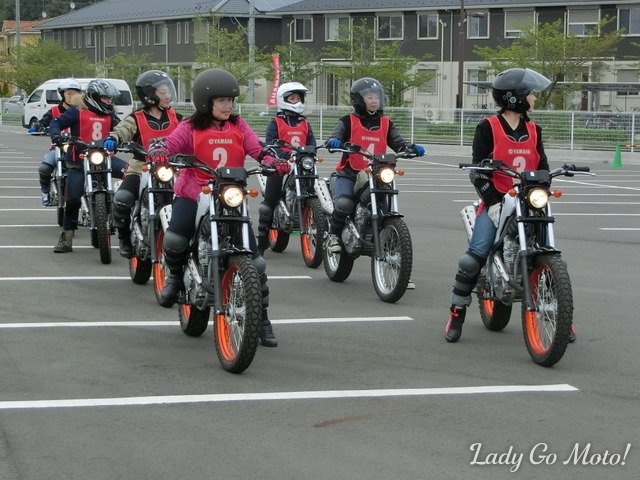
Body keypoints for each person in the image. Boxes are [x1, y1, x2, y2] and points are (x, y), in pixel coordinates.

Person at [148, 68, 289, 348]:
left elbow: (257, 149)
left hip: (230, 196)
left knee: (256, 261)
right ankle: (175, 279)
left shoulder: (239, 126)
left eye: (230, 101)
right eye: (222, 101)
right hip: (195, 191)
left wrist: (273, 159)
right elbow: (170, 143)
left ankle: (262, 320)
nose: (228, 106)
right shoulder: (189, 127)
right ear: (205, 102)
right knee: (177, 237)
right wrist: (160, 149)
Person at [444, 67, 575, 343]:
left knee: (548, 252)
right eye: (530, 94)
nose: (534, 98)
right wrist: (491, 201)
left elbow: (542, 166)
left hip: (529, 201)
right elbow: (477, 170)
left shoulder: (533, 129)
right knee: (475, 255)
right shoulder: (487, 127)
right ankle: (457, 313)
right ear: (515, 97)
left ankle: (560, 315)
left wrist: (545, 186)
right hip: (498, 201)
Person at [325, 77, 425, 254]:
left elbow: (398, 143)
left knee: (384, 206)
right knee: (344, 204)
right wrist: (334, 141)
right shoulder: (348, 121)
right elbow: (337, 135)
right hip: (350, 173)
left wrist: (410, 148)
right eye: (369, 97)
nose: (374, 101)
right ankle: (332, 235)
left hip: (376, 173)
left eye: (376, 97)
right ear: (358, 100)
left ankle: (393, 252)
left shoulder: (386, 123)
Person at [103, 70, 183, 258]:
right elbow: (122, 130)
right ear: (149, 95)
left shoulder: (178, 119)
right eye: (162, 91)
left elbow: (193, 134)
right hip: (141, 168)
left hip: (172, 169)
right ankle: (123, 238)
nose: (167, 95)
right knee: (123, 198)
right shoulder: (136, 118)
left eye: (168, 90)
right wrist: (113, 138)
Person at [49, 79, 128, 253]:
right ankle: (66, 236)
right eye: (105, 98)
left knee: (131, 174)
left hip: (104, 158)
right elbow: (57, 123)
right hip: (79, 160)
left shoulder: (110, 115)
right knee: (74, 197)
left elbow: (123, 129)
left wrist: (124, 140)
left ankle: (128, 223)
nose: (109, 101)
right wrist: (56, 135)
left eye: (110, 98)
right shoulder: (76, 111)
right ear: (94, 97)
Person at [257, 81, 316, 254]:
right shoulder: (275, 122)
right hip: (282, 165)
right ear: (283, 100)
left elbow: (311, 142)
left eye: (299, 97)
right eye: (292, 98)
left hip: (302, 165)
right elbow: (270, 144)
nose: (297, 101)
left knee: (316, 191)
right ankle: (261, 240)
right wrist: (284, 157)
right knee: (269, 202)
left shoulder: (305, 122)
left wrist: (311, 153)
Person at [30, 78, 82, 206]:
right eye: (69, 93)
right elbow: (44, 121)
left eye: (75, 93)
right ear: (62, 94)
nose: (72, 96)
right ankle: (45, 192)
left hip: (77, 148)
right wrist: (37, 126)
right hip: (58, 147)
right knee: (44, 168)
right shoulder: (54, 111)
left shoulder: (82, 110)